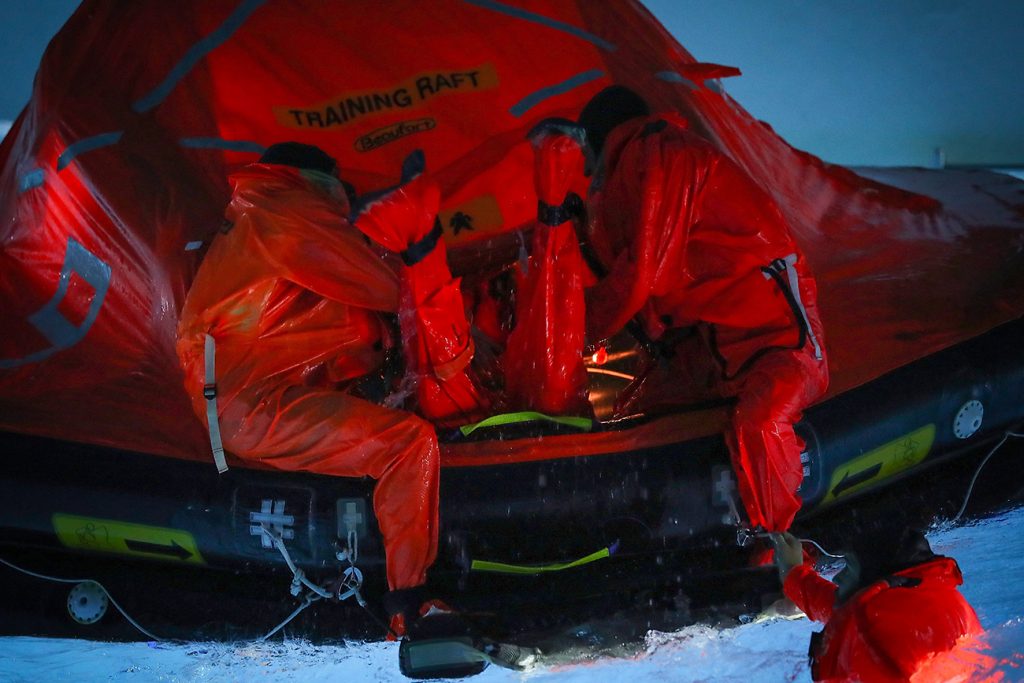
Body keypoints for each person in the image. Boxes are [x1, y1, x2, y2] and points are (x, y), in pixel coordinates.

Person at [176, 142, 479, 636]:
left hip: (250, 394)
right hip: (256, 408)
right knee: (408, 444)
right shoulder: (289, 214)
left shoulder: (263, 207)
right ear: (324, 182)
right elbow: (388, 290)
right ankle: (410, 603)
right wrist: (423, 246)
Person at [567, 85, 829, 533]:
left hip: (775, 343)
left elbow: (645, 276)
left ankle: (783, 550)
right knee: (631, 425)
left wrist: (572, 339)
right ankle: (644, 537)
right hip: (708, 353)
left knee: (760, 423)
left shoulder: (665, 156)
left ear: (594, 141)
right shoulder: (632, 173)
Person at [773, 529, 986, 682]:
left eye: (848, 567)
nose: (837, 579)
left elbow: (854, 613)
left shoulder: (888, 613)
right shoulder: (901, 606)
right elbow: (852, 612)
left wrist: (794, 577)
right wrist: (794, 576)